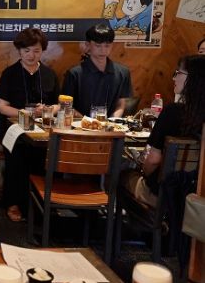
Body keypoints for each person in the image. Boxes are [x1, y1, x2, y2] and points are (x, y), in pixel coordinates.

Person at [121, 55, 205, 208]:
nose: (174, 78)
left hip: (164, 195)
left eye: (178, 73)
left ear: (192, 79)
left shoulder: (172, 113)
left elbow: (152, 161)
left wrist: (144, 171)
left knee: (121, 176)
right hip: (197, 199)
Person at [0, 29, 60, 222]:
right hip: (12, 124)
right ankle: (13, 202)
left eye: (36, 51)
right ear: (19, 51)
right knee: (18, 151)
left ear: (42, 51)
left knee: (43, 153)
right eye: (27, 51)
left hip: (40, 126)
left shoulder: (49, 74)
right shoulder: (10, 74)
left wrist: (47, 110)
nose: (31, 55)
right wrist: (26, 113)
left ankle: (38, 202)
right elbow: (3, 107)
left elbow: (58, 104)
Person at [62, 24, 132, 118]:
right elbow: (66, 105)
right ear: (88, 45)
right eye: (98, 45)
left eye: (107, 46)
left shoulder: (123, 72)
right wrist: (87, 122)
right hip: (80, 124)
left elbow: (120, 104)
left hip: (111, 125)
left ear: (112, 45)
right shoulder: (74, 73)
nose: (103, 50)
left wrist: (111, 121)